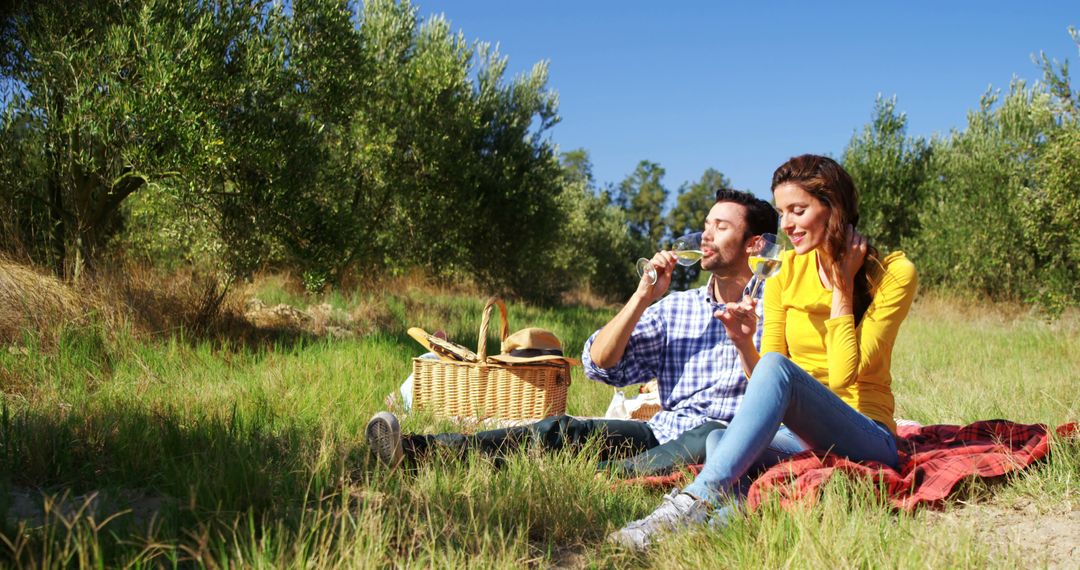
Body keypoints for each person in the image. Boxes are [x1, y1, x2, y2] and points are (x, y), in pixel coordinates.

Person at [609, 154, 919, 550]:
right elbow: (765, 381)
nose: (786, 224)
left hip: (867, 436)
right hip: (799, 436)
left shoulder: (892, 273)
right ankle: (703, 535)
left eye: (798, 210)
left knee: (765, 388)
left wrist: (842, 287)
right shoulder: (785, 269)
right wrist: (742, 341)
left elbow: (844, 377)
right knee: (719, 440)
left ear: (833, 208)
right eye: (781, 211)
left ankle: (686, 504)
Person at [365, 189, 782, 475]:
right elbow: (598, 364)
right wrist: (642, 297)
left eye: (721, 227)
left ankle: (597, 477)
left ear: (755, 245)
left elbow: (784, 392)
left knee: (710, 433)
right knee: (562, 430)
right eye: (706, 224)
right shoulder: (676, 308)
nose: (706, 234)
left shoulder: (780, 309)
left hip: (729, 441)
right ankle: (419, 452)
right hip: (661, 433)